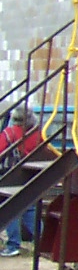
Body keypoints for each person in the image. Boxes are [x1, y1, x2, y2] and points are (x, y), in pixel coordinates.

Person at [1, 107, 43, 257]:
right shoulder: (37, 134)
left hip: (12, 175)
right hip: (31, 175)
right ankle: (43, 241)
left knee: (10, 208)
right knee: (29, 208)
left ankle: (13, 244)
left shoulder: (9, 133)